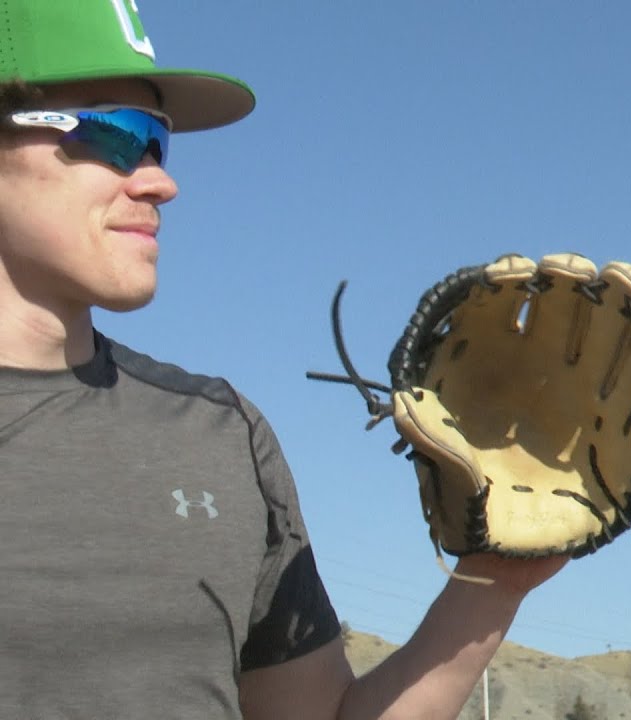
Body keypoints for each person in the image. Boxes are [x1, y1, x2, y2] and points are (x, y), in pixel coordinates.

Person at [0, 3, 565, 718]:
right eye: (116, 133)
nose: (158, 181)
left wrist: (495, 577)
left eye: (158, 142)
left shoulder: (218, 434)